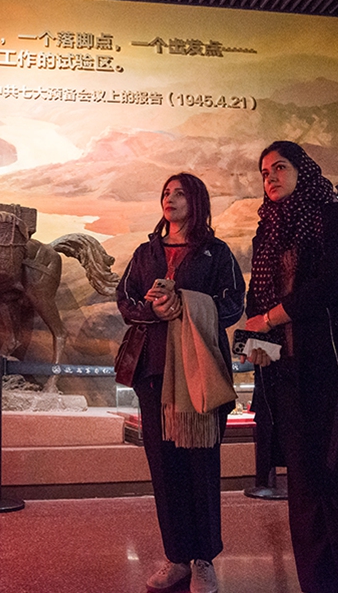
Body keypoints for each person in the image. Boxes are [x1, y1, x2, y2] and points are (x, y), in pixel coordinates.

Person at [243, 141, 338, 593]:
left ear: (302, 170)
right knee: (304, 494)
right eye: (264, 172)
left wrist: (272, 318)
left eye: (279, 167)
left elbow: (336, 282)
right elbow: (255, 298)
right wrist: (256, 340)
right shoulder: (267, 230)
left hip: (331, 370)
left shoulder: (334, 218)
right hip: (285, 376)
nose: (270, 177)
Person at [117, 173, 244, 593]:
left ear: (197, 201)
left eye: (179, 193)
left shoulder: (215, 252)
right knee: (165, 468)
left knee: (201, 467)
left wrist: (185, 303)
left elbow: (232, 305)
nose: (169, 199)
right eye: (165, 193)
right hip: (153, 372)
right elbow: (125, 300)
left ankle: (203, 559)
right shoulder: (145, 252)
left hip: (199, 371)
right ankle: (177, 557)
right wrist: (153, 311)